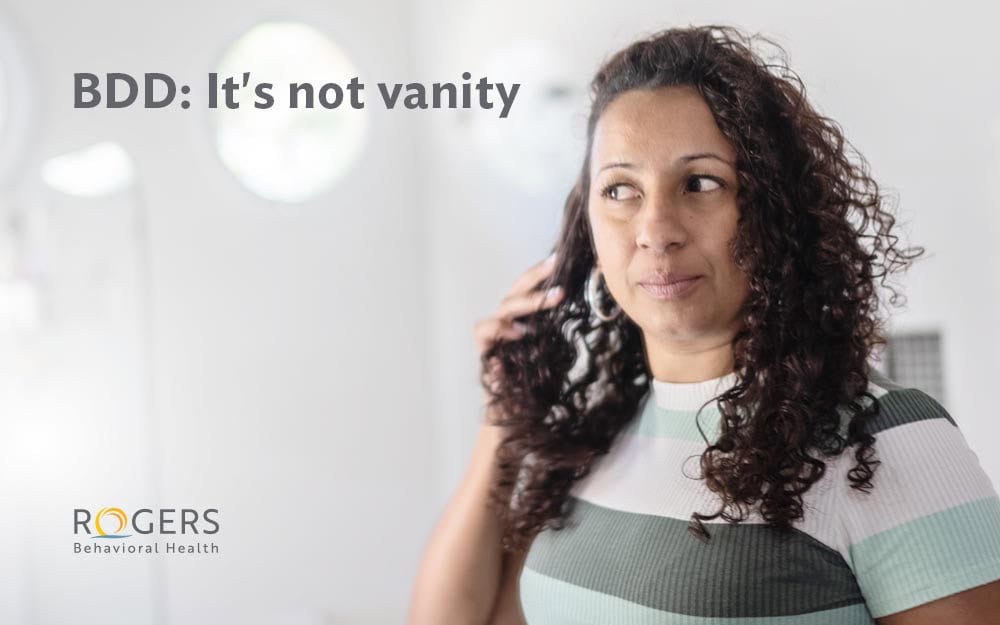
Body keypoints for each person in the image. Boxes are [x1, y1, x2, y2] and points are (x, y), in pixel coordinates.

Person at [406, 24, 1000, 625]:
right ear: (588, 223)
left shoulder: (884, 441)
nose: (656, 228)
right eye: (620, 189)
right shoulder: (603, 439)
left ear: (772, 209)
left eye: (700, 183)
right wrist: (503, 417)